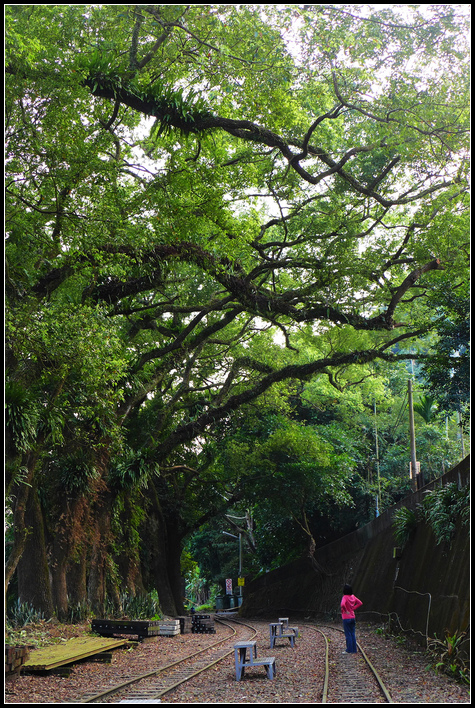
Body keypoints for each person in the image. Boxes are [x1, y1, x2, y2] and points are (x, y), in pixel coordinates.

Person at [340, 583, 363, 654]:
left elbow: (342, 604)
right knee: (352, 633)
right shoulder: (353, 596)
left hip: (346, 618)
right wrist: (353, 608)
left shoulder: (345, 597)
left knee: (348, 634)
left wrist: (346, 610)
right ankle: (354, 650)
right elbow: (360, 603)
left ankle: (349, 650)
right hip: (353, 617)